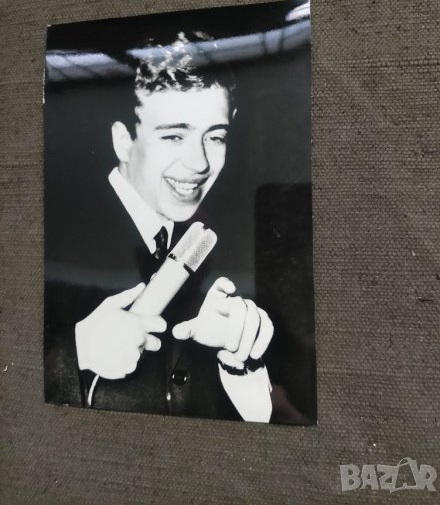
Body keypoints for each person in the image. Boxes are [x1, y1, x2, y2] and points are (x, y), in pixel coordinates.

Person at [45, 38, 274, 422]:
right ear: (124, 142)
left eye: (215, 136)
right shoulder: (49, 234)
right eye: (174, 136)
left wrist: (240, 365)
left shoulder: (219, 242)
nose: (200, 163)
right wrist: (76, 353)